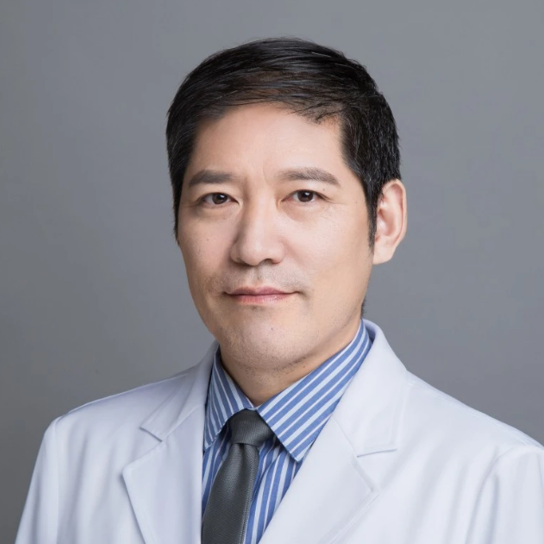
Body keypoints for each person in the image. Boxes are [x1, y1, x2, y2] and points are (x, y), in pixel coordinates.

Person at [15, 37, 544, 544]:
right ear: (177, 222)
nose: (254, 247)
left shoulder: (499, 479)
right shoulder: (79, 452)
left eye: (304, 195)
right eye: (218, 198)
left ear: (384, 222)